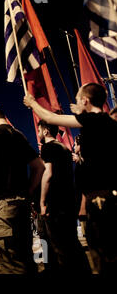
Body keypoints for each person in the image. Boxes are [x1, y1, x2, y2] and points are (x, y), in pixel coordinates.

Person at [24, 83, 117, 275]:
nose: (75, 103)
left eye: (78, 100)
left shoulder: (92, 120)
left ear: (86, 101)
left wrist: (32, 102)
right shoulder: (108, 123)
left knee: (101, 252)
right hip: (109, 195)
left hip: (99, 199)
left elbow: (50, 117)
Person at [0, 106, 45, 274]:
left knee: (10, 263)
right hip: (22, 202)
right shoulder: (19, 135)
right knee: (25, 257)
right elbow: (39, 166)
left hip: (2, 204)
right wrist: (29, 190)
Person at [37, 120, 91, 275]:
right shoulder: (65, 149)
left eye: (39, 129)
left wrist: (42, 202)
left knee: (60, 247)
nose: (39, 132)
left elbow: (48, 174)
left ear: (46, 131)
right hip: (68, 200)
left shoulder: (48, 147)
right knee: (72, 243)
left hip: (55, 202)